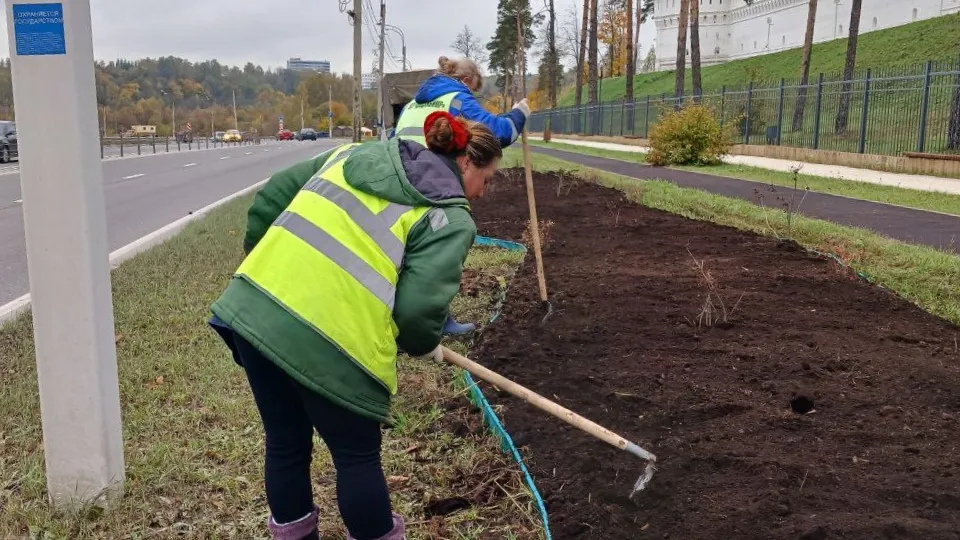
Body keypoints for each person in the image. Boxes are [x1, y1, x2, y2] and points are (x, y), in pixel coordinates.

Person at [209, 112, 502, 540]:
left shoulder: (354, 155)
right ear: (466, 163)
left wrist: (270, 273)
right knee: (356, 456)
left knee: (285, 442)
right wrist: (423, 343)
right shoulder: (448, 217)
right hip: (332, 341)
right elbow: (417, 312)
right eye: (486, 180)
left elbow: (271, 200)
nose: (482, 192)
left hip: (253, 312)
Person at [394, 55, 529, 335]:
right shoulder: (456, 99)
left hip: (402, 181)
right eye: (474, 89)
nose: (473, 96)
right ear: (466, 80)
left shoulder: (411, 104)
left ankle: (401, 311)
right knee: (438, 251)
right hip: (434, 184)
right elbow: (497, 133)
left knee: (405, 251)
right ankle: (433, 320)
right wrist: (519, 114)